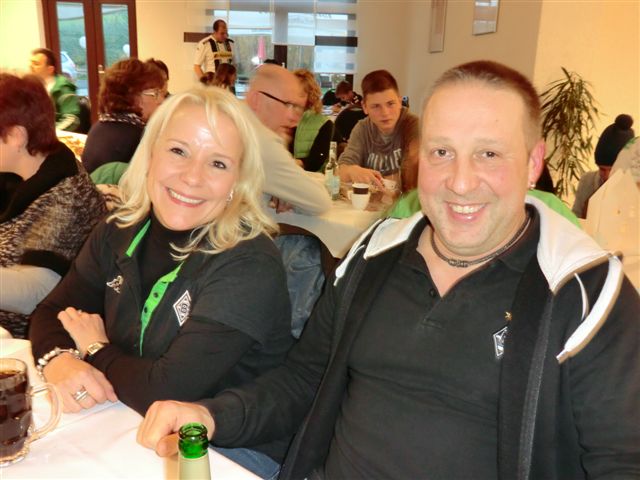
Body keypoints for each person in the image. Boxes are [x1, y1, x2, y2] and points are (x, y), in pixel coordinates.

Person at [137, 61, 640, 479]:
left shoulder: (586, 292)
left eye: (488, 153)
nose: (461, 182)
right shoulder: (375, 255)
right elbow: (304, 378)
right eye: (442, 152)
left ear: (532, 163)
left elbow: (622, 460)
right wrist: (209, 414)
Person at [29, 87, 294, 441]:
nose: (192, 177)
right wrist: (59, 360)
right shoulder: (118, 229)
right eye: (178, 151)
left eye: (218, 163)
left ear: (237, 182)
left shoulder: (250, 264)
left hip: (224, 449)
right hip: (127, 418)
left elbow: (167, 390)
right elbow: (52, 311)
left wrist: (94, 348)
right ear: (151, 154)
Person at [0, 73, 105, 338]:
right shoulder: (18, 172)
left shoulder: (66, 197)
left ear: (16, 136)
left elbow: (34, 293)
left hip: (30, 340)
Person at [243, 63, 331, 215]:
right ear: (256, 99)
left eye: (298, 108)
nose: (294, 119)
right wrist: (291, 193)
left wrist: (282, 190)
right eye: (288, 104)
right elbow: (321, 203)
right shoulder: (262, 141)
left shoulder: (237, 124)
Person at [338, 69, 419, 192]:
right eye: (376, 106)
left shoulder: (414, 126)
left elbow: (415, 175)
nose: (385, 113)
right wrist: (351, 170)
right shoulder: (362, 129)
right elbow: (340, 171)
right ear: (365, 107)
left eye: (390, 104)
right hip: (371, 201)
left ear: (399, 102)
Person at [81, 59, 167, 174]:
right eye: (155, 94)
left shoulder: (98, 127)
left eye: (161, 94)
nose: (161, 100)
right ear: (134, 97)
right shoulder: (138, 137)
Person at [572, 114, 634, 218]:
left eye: (613, 170)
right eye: (602, 169)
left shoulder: (635, 186)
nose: (606, 175)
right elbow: (575, 217)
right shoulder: (587, 181)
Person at [291, 69, 333, 172]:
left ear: (310, 96)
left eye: (300, 94)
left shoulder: (324, 124)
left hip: (311, 177)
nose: (293, 98)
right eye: (291, 93)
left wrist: (291, 164)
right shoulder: (282, 118)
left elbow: (316, 161)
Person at [29, 47, 81, 132]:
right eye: (31, 63)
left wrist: (50, 133)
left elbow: (71, 119)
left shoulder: (63, 88)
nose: (31, 67)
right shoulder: (31, 86)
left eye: (36, 64)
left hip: (54, 134)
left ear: (50, 69)